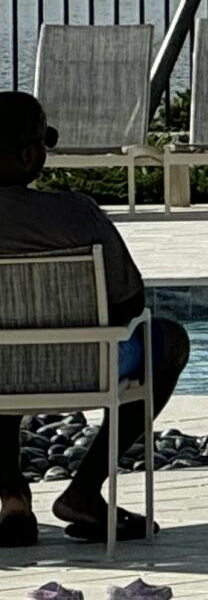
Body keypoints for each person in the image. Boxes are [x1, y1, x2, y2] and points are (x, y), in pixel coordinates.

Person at [0, 90, 191, 547]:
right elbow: (130, 303)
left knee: (6, 359)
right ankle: (84, 491)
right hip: (89, 368)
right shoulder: (77, 213)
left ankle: (12, 501)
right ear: (29, 156)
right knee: (169, 340)